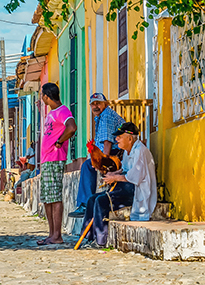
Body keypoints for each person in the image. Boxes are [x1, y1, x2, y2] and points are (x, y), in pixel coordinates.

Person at [81, 122, 157, 247]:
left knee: (101, 201)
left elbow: (134, 177)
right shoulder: (127, 152)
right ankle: (88, 236)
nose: (116, 139)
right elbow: (125, 169)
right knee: (91, 199)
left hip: (136, 190)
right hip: (127, 187)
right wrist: (112, 175)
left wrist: (115, 178)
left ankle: (101, 241)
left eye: (119, 137)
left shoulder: (140, 151)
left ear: (130, 138)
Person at [68, 93, 125, 218]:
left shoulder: (106, 116)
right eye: (93, 104)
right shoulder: (100, 117)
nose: (95, 106)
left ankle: (85, 204)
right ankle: (87, 203)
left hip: (117, 153)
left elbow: (107, 142)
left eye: (98, 103)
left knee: (87, 166)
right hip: (114, 151)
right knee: (89, 165)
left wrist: (102, 162)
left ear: (105, 104)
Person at [37, 82, 77, 246]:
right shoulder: (51, 113)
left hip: (55, 158)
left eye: (42, 95)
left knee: (54, 197)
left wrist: (60, 142)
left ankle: (57, 234)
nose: (42, 98)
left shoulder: (63, 111)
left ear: (47, 96)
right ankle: (51, 234)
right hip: (47, 160)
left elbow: (72, 127)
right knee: (47, 198)